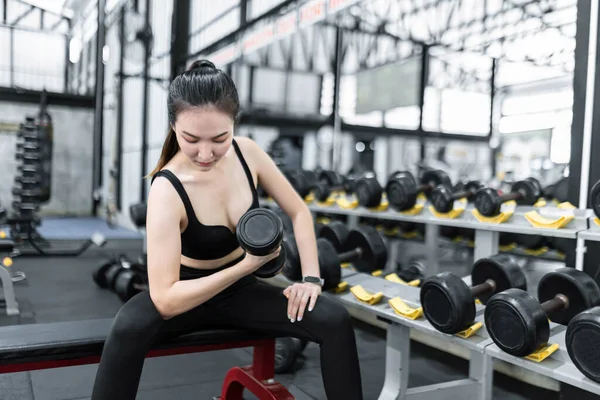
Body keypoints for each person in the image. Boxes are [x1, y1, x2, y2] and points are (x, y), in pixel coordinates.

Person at [90, 60, 363, 400]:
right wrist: (246, 266)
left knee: (334, 319)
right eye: (191, 139)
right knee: (127, 327)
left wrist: (310, 279)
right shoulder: (167, 188)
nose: (205, 153)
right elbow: (165, 298)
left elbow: (299, 211)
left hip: (240, 292)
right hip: (183, 295)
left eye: (220, 138)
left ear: (235, 124)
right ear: (173, 126)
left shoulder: (247, 153)